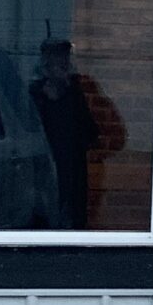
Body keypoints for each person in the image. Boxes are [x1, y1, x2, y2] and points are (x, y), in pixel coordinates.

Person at [29, 40, 124, 229]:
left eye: (65, 58)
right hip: (41, 172)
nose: (62, 63)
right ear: (45, 63)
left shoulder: (78, 92)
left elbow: (96, 132)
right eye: (56, 58)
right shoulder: (33, 94)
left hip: (72, 173)